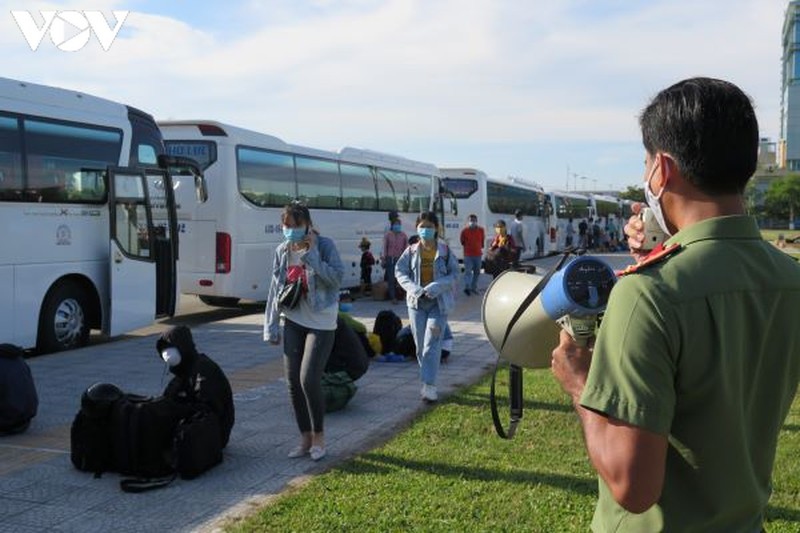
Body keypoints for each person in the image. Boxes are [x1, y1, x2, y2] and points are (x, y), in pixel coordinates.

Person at [551, 77, 800, 532]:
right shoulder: (789, 279)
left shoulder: (647, 293)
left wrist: (579, 385)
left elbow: (634, 488)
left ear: (661, 170)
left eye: (646, 163)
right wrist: (664, 253)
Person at [263, 203, 344, 462]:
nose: (290, 231)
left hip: (321, 321)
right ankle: (305, 437)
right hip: (295, 318)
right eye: (286, 226)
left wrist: (310, 255)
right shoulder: (281, 251)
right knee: (292, 383)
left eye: (295, 226)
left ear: (307, 224)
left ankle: (319, 435)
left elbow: (336, 279)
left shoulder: (325, 245)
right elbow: (275, 289)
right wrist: (271, 326)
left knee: (309, 379)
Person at [395, 211, 459, 403]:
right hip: (416, 304)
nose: (425, 230)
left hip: (437, 305)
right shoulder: (411, 251)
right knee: (421, 345)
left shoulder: (445, 251)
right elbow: (400, 272)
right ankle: (426, 380)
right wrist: (414, 289)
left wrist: (435, 287)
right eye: (422, 226)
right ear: (417, 228)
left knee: (432, 344)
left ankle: (429, 385)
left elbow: (455, 274)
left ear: (436, 228)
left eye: (429, 227)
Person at [157, 325, 235, 448]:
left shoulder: (203, 370)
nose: (167, 354)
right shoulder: (184, 369)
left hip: (215, 433)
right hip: (201, 426)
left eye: (171, 348)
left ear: (182, 347)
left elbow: (209, 409)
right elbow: (169, 397)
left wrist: (177, 409)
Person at [381, 213, 408, 304]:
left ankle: (401, 295)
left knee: (401, 278)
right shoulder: (388, 235)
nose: (397, 226)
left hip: (400, 259)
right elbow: (384, 247)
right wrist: (384, 258)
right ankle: (393, 297)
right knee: (391, 279)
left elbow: (406, 247)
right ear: (392, 225)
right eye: (396, 224)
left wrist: (406, 259)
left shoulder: (403, 235)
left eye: (399, 224)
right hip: (390, 259)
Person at [459, 213, 485, 295]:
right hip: (468, 255)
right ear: (468, 221)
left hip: (478, 255)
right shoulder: (464, 231)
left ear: (477, 221)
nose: (473, 222)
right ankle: (467, 287)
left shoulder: (481, 230)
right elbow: (462, 241)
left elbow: (482, 240)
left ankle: (474, 287)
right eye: (471, 221)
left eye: (474, 220)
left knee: (477, 272)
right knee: (468, 272)